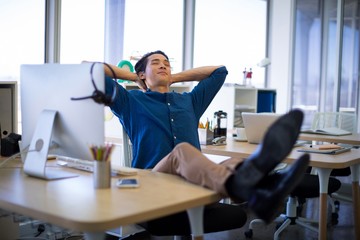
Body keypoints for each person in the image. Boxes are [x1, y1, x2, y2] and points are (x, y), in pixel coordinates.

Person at [99, 50, 309, 222]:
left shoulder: (189, 101)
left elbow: (219, 72)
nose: (163, 65)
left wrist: (173, 77)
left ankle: (263, 190)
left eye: (166, 63)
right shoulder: (131, 101)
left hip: (191, 184)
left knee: (236, 161)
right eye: (155, 63)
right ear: (142, 74)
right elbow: (93, 71)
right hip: (153, 183)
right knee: (181, 151)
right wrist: (135, 77)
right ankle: (260, 186)